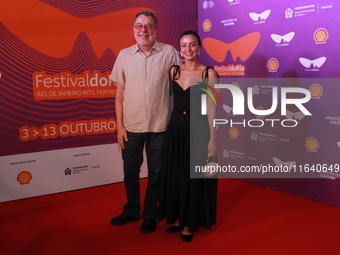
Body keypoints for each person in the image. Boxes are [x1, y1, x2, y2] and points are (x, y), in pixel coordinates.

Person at [109, 10, 181, 233]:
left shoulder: (169, 53)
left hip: (160, 124)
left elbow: (179, 85)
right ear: (133, 29)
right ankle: (131, 210)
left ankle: (151, 213)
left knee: (157, 172)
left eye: (149, 26)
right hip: (131, 126)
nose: (144, 30)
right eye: (139, 26)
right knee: (130, 171)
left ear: (155, 30)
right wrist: (119, 126)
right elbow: (119, 94)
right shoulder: (124, 55)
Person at [159, 30, 219, 242]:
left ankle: (188, 223)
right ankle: (177, 218)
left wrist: (213, 139)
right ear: (180, 49)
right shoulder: (173, 71)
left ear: (199, 48)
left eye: (192, 45)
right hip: (175, 130)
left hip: (199, 131)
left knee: (193, 177)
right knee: (176, 175)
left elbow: (211, 108)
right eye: (184, 45)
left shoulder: (208, 73)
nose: (188, 49)